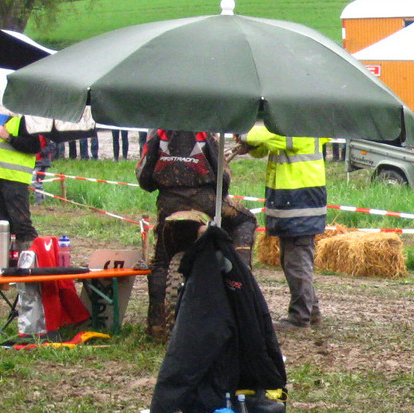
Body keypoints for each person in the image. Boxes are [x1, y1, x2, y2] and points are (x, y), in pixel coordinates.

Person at [136, 129, 257, 340]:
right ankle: (241, 276)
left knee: (161, 262)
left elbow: (144, 176)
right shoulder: (205, 129)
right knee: (246, 219)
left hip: (169, 203)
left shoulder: (158, 130)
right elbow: (224, 177)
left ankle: (156, 326)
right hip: (206, 200)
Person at [236, 126, 329, 330]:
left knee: (297, 263)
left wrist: (244, 133)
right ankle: (311, 312)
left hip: (299, 203)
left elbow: (272, 137)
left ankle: (300, 317)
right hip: (295, 203)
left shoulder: (300, 128)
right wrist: (250, 145)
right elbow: (264, 146)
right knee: (293, 261)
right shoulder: (294, 127)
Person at [0, 107, 42, 258]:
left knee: (21, 225)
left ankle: (32, 262)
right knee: (3, 224)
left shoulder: (25, 118)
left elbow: (34, 147)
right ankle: (6, 261)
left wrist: (9, 137)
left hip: (15, 178)